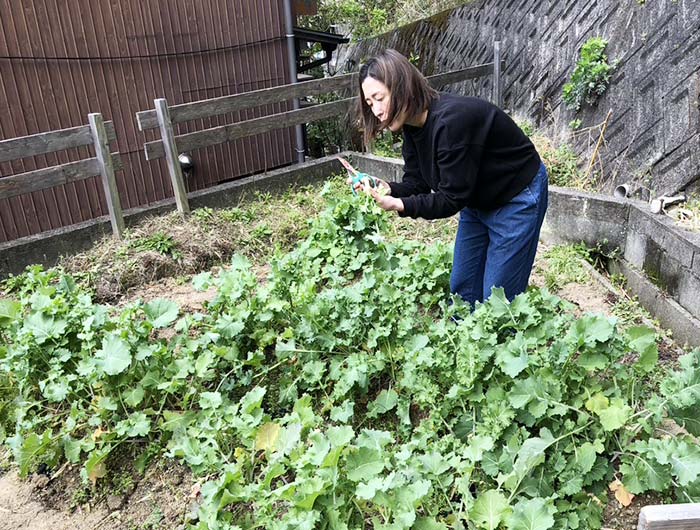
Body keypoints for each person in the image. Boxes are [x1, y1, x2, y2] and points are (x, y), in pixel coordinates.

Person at [352, 49, 548, 308]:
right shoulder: (412, 126)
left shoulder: (450, 123)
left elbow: (450, 199)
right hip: (476, 198)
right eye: (370, 103)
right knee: (462, 289)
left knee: (499, 302)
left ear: (401, 87)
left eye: (379, 98)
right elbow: (418, 182)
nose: (376, 110)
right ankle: (463, 342)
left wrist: (399, 205)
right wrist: (388, 189)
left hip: (516, 197)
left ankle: (501, 342)